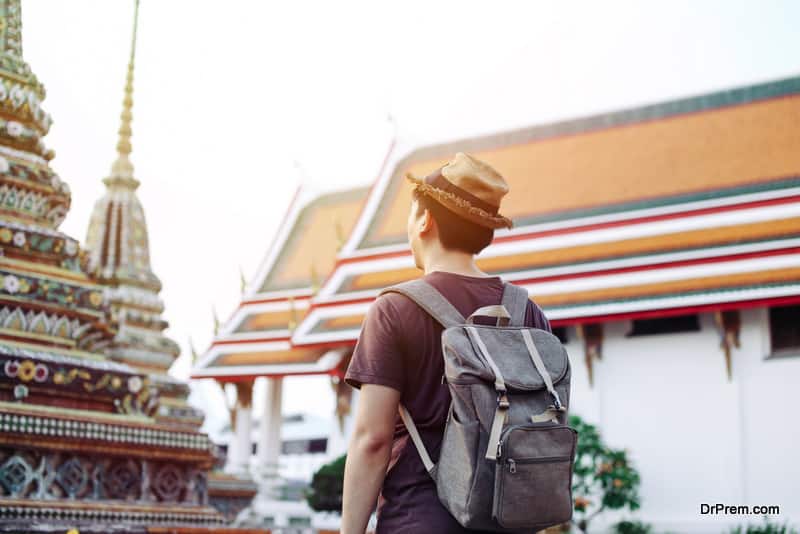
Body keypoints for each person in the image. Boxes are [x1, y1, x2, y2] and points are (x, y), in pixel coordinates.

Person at [341, 152, 552, 534]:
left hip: (418, 519)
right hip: (510, 520)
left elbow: (372, 439)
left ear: (425, 219)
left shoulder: (395, 309)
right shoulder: (527, 312)